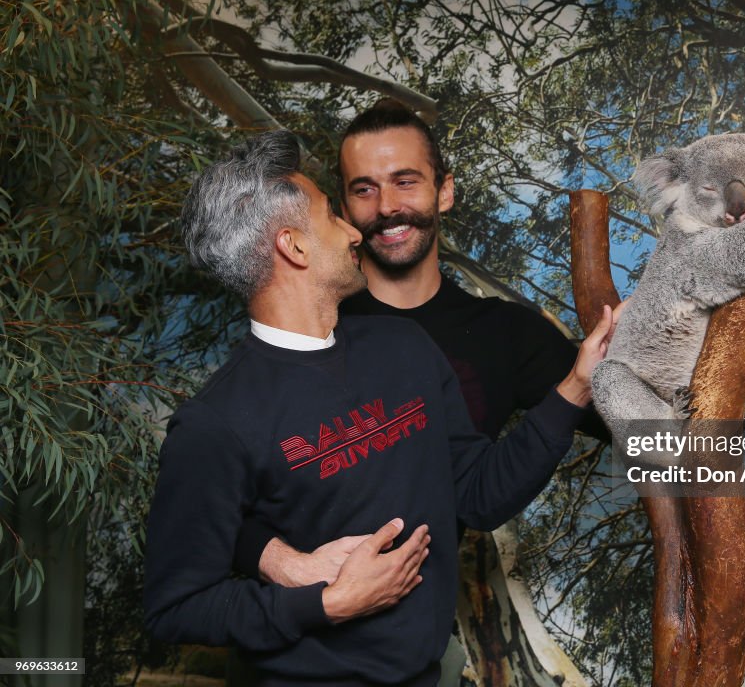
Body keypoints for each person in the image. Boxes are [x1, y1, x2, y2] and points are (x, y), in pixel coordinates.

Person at [143, 130, 617, 686]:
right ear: (293, 247)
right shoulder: (214, 423)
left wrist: (578, 386)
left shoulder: (403, 347)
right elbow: (175, 608)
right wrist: (325, 604)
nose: (353, 230)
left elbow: (479, 494)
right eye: (330, 214)